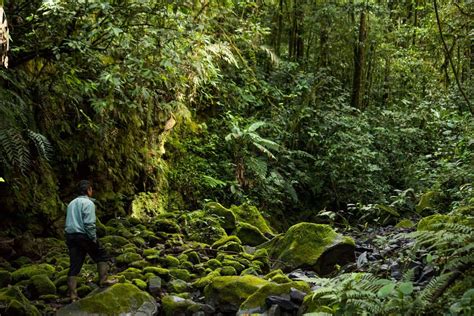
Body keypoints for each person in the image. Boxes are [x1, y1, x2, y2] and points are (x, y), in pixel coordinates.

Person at [65, 180, 116, 301]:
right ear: (88, 190)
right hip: (83, 234)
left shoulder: (71, 203)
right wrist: (93, 238)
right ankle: (103, 280)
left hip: (70, 235)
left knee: (75, 265)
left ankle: (72, 295)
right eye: (91, 189)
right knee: (102, 255)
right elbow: (89, 223)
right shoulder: (88, 203)